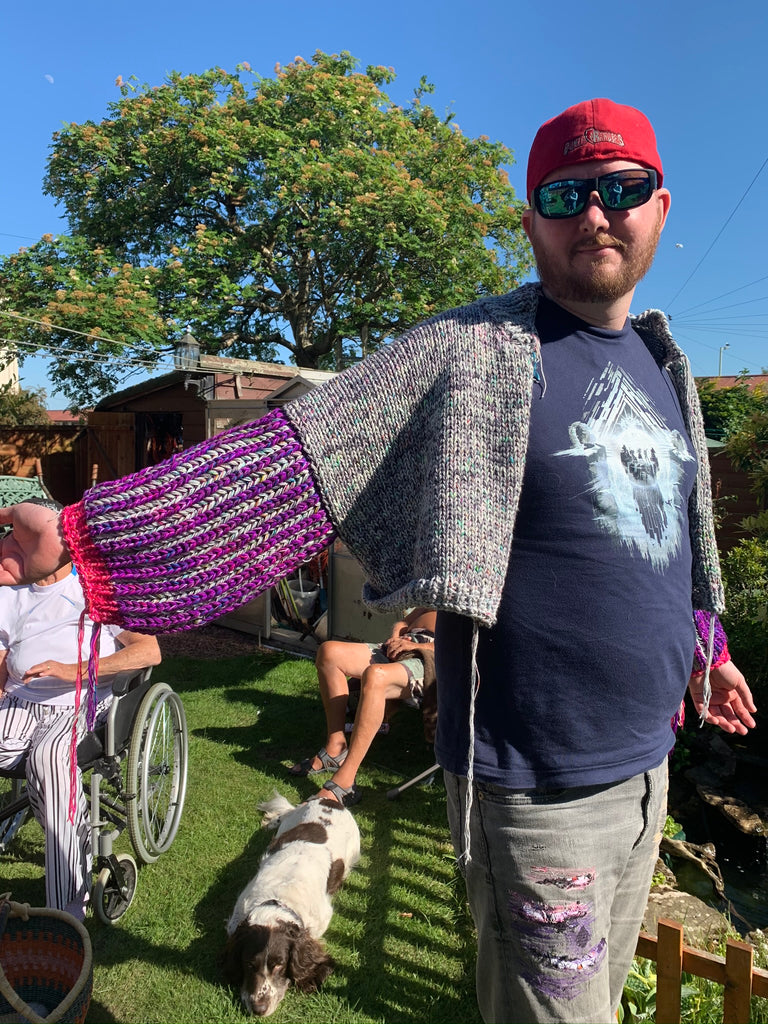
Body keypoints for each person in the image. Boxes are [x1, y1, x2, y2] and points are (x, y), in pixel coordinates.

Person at [0, 99, 757, 1021]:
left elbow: (674, 539)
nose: (596, 211)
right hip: (542, 788)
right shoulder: (473, 352)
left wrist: (707, 648)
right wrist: (87, 540)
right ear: (531, 222)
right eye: (567, 192)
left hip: (649, 768)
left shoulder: (662, 362)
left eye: (621, 187)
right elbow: (297, 458)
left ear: (659, 208)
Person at [0, 501, 161, 920]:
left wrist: (73, 669)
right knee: (46, 777)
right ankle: (72, 818)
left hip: (79, 704)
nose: (7, 554)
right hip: (18, 703)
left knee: (48, 761)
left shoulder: (95, 589)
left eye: (18, 545)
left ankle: (66, 910)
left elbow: (150, 650)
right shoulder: (9, 596)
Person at [289, 607, 436, 805]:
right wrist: (395, 636)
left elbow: (467, 648)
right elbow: (403, 622)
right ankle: (335, 748)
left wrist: (418, 648)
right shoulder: (438, 590)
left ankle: (346, 780)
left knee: (376, 675)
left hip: (433, 657)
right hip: (403, 644)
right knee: (329, 652)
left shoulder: (477, 597)